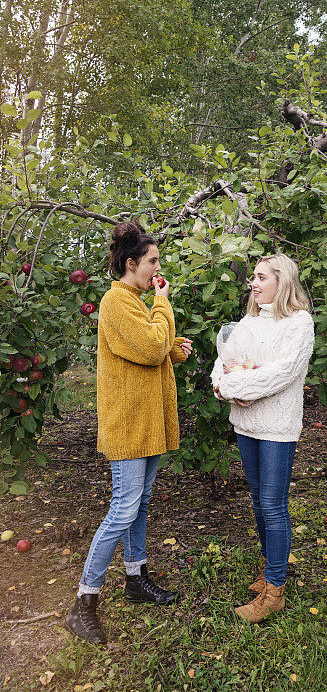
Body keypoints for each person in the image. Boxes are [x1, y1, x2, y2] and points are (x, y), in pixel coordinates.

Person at [65, 219, 192, 645]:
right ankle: (84, 601)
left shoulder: (134, 301)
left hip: (147, 421)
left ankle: (136, 578)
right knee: (123, 507)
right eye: (153, 261)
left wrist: (171, 348)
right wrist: (164, 307)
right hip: (129, 424)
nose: (159, 268)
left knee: (139, 505)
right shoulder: (116, 301)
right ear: (133, 263)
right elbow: (151, 345)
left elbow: (151, 350)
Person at [211, 253, 315, 624]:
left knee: (273, 506)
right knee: (258, 501)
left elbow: (282, 374)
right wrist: (221, 388)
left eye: (260, 277)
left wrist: (233, 386)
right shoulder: (248, 321)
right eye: (252, 278)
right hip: (246, 424)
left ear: (281, 281)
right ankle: (270, 568)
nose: (253, 284)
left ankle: (275, 591)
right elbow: (221, 363)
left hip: (276, 427)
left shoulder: (299, 324)